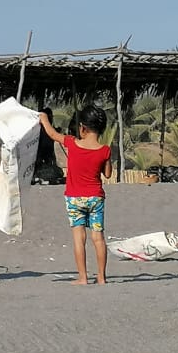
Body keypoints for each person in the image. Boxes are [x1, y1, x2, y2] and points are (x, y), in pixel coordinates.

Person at [38, 105, 113, 284]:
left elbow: (53, 135)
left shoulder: (72, 143)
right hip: (96, 197)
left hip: (74, 197)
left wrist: (44, 119)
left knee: (79, 238)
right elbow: (108, 174)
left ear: (82, 128)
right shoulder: (105, 150)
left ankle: (83, 277)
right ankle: (101, 277)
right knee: (98, 237)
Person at [32, 106, 64, 185]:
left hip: (47, 158)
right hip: (40, 157)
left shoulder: (48, 130)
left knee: (58, 172)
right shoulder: (40, 130)